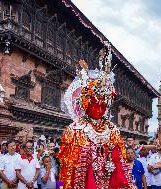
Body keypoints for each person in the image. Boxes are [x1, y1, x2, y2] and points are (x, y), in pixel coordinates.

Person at [57, 42, 132, 188]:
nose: (100, 108)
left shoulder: (112, 130)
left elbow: (119, 164)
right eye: (95, 103)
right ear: (86, 103)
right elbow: (67, 167)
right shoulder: (75, 130)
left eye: (104, 104)